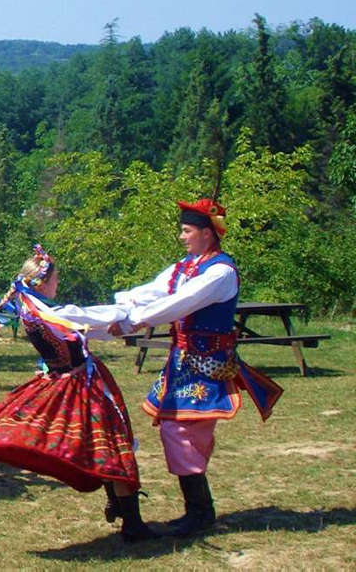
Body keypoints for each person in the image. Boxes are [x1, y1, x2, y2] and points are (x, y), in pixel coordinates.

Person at [0, 246, 158, 542]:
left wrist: (115, 325)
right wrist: (133, 311)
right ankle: (132, 523)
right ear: (42, 282)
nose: (58, 284)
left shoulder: (31, 312)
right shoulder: (54, 313)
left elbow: (85, 327)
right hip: (82, 386)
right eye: (55, 279)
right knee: (113, 444)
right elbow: (91, 316)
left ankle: (119, 506)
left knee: (99, 445)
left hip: (60, 381)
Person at [108, 198, 283, 537]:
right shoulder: (186, 267)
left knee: (182, 431)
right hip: (182, 364)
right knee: (179, 431)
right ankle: (199, 509)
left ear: (206, 233)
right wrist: (118, 306)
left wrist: (132, 322)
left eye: (187, 231)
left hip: (207, 367)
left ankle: (200, 512)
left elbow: (179, 303)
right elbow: (154, 291)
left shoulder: (219, 272)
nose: (181, 236)